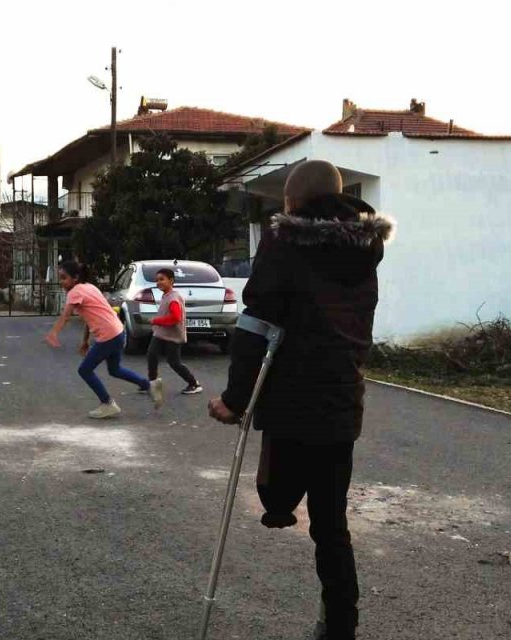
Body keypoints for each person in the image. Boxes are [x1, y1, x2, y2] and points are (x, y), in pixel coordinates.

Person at [208, 160, 394, 640]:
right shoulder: (364, 252)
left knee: (278, 491)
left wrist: (234, 398)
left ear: (292, 202)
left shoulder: (284, 243)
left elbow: (255, 324)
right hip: (341, 401)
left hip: (292, 400)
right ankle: (340, 625)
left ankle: (279, 500)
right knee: (331, 524)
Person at [45, 260, 163, 418]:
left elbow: (65, 316)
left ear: (75, 278)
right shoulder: (90, 287)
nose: (61, 282)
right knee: (115, 370)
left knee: (84, 370)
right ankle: (149, 385)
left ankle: (107, 403)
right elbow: (90, 316)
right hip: (118, 332)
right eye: (60, 278)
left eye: (64, 278)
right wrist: (86, 340)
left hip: (109, 336)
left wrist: (54, 333)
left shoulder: (75, 293)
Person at [144, 267, 202, 395]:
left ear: (171, 280)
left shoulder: (173, 298)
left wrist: (156, 321)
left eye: (162, 279)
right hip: (161, 333)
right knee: (151, 355)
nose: (158, 282)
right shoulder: (166, 295)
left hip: (173, 336)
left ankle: (194, 383)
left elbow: (176, 318)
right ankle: (152, 383)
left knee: (174, 362)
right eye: (157, 280)